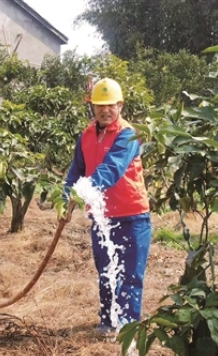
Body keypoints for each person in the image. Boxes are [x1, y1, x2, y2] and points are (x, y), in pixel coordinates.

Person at [64, 78, 152, 334]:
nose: (105, 110)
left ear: (120, 105)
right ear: (92, 106)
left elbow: (111, 169)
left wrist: (84, 192)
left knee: (131, 276)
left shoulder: (128, 134)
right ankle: (108, 322)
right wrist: (65, 198)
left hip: (133, 215)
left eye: (110, 105)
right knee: (106, 272)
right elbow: (75, 172)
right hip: (103, 217)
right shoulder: (87, 135)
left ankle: (127, 328)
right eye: (100, 105)